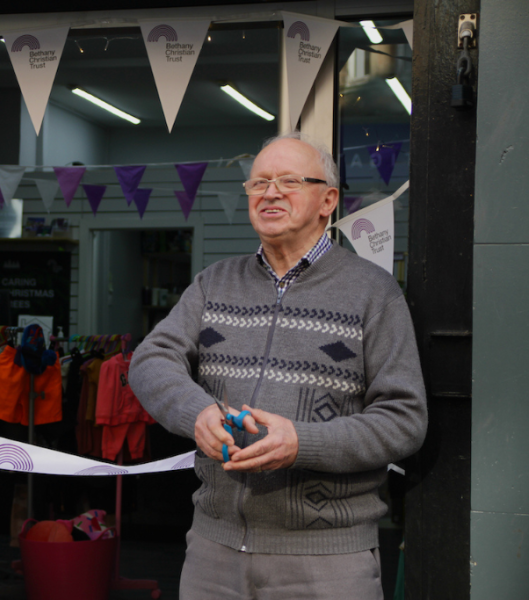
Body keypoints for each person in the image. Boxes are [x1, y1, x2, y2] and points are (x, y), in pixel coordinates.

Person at [128, 132, 427, 599]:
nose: (270, 192)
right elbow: (150, 359)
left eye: (289, 181)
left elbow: (404, 420)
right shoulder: (213, 283)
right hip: (213, 552)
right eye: (259, 182)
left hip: (327, 561)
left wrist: (301, 442)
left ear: (328, 200)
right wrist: (198, 413)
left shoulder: (374, 292)